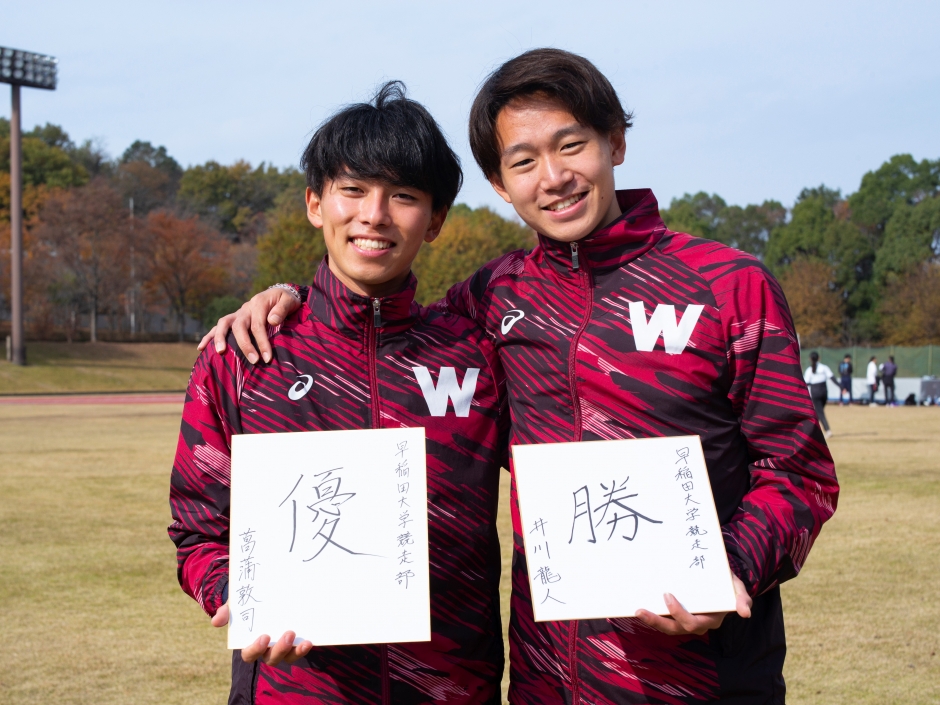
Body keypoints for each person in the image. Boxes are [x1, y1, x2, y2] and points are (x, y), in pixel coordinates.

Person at [204, 49, 839, 704]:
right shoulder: (490, 299)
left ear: (616, 142)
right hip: (545, 685)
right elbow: (377, 323)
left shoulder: (729, 286)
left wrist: (730, 567)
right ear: (500, 185)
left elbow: (798, 471)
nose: (555, 177)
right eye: (524, 161)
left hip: (703, 677)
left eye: (572, 146)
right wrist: (287, 297)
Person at [170, 82, 510, 704]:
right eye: (352, 190)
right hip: (293, 689)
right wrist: (238, 597)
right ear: (314, 204)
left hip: (453, 689)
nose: (374, 215)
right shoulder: (244, 355)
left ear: (434, 221)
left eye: (403, 196)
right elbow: (198, 528)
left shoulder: (479, 354)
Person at [804, 351, 835, 438]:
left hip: (815, 392)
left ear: (810, 359)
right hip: (824, 391)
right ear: (819, 358)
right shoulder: (824, 367)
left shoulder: (809, 370)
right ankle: (812, 430)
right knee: (819, 412)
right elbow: (832, 377)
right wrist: (841, 387)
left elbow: (806, 383)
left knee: (819, 412)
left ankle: (828, 430)